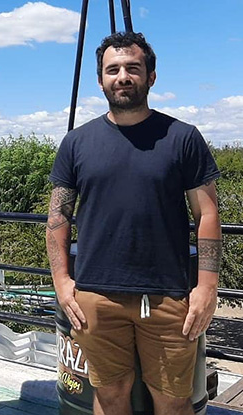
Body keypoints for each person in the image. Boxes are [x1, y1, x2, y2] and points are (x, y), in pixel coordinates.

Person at [46, 31, 221, 415]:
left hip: (168, 296)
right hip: (95, 297)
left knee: (174, 402)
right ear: (100, 80)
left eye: (132, 68)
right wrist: (61, 282)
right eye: (113, 70)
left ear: (150, 76)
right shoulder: (76, 143)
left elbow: (207, 214)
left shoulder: (183, 138)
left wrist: (207, 287)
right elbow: (58, 216)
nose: (122, 77)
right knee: (109, 397)